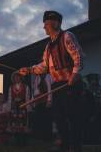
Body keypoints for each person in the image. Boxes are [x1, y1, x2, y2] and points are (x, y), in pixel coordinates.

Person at [19, 10, 84, 152]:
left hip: (71, 85)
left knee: (72, 118)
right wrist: (29, 70)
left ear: (55, 23)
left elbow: (78, 56)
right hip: (58, 86)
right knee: (60, 119)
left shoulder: (67, 36)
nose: (44, 27)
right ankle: (65, 147)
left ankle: (76, 148)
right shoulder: (48, 47)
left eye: (46, 24)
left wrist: (75, 74)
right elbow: (44, 66)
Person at [7, 71, 31, 145]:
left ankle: (23, 141)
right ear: (13, 79)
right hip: (14, 107)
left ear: (21, 78)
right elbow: (10, 98)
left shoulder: (26, 86)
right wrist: (9, 108)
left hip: (22, 106)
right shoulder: (11, 87)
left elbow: (27, 97)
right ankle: (16, 141)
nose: (17, 78)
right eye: (15, 77)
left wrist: (28, 107)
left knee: (23, 122)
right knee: (14, 122)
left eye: (18, 77)